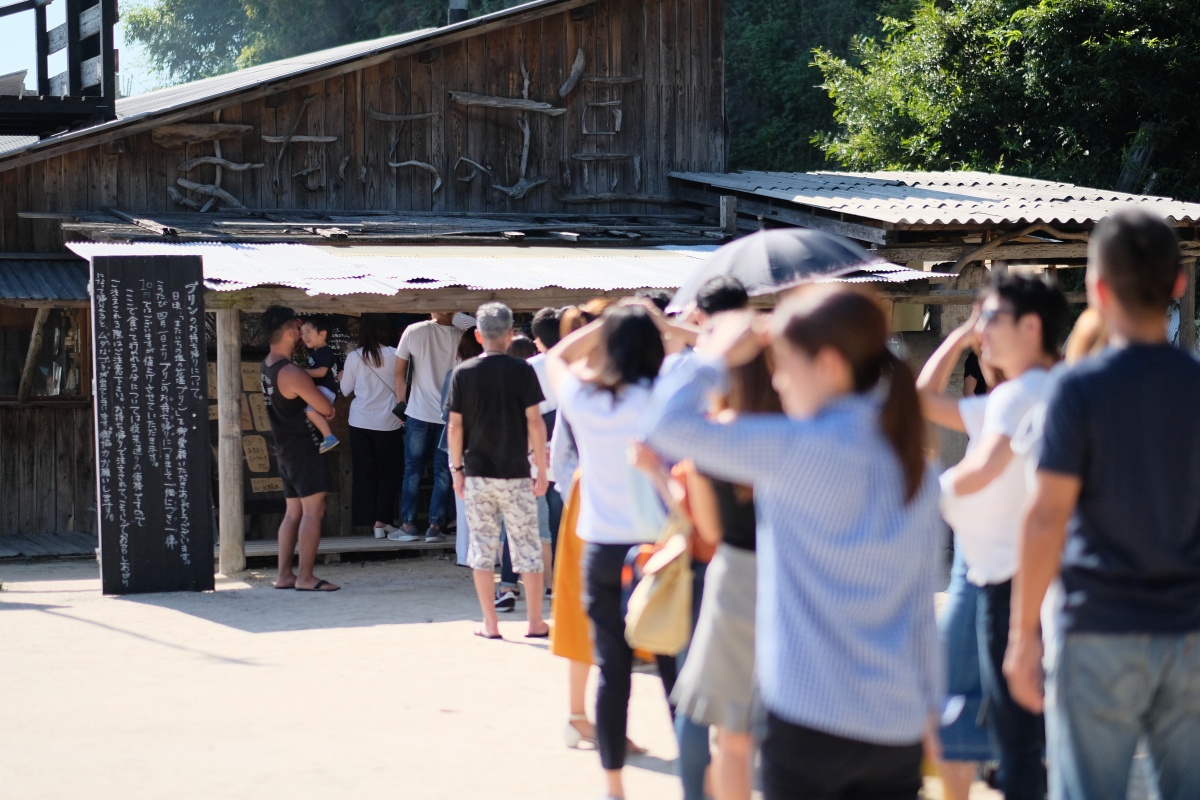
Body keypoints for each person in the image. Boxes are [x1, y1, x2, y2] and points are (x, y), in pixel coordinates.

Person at [644, 287, 943, 800]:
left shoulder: (796, 448)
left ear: (827, 365)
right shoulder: (917, 462)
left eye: (784, 365)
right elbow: (919, 605)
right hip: (897, 721)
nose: (778, 381)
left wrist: (712, 357)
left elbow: (665, 428)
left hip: (812, 716)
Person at [1005, 210, 1200, 800]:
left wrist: (1022, 637)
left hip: (1097, 630)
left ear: (1096, 289)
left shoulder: (1078, 389)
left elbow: (1045, 518)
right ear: (1178, 285)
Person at [918, 274, 1067, 800]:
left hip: (1002, 579)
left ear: (1031, 327)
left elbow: (979, 471)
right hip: (1050, 579)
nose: (984, 331)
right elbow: (922, 399)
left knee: (1013, 738)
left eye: (992, 320)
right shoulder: (1065, 387)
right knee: (1035, 737)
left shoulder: (1013, 398)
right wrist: (962, 337)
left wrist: (919, 502)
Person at [548, 304, 693, 800]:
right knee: (677, 672)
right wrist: (670, 325)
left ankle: (613, 787)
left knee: (613, 673)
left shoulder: (587, 400)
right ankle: (694, 780)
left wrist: (600, 326)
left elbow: (557, 358)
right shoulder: (669, 397)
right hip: (661, 550)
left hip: (602, 552)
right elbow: (719, 352)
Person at [668, 350, 780, 800]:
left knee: (727, 732)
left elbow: (710, 530)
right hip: (793, 577)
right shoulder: (800, 432)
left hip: (734, 579)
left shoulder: (710, 441)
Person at [447, 303, 550, 640]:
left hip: (477, 472)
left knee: (482, 547)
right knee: (527, 547)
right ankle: (534, 621)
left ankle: (490, 623)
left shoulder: (464, 373)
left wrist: (456, 469)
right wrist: (541, 467)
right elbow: (535, 421)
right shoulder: (523, 371)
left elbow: (456, 427)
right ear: (510, 336)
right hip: (517, 472)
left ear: (477, 336)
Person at [259, 306, 339, 592]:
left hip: (284, 449)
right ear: (291, 330)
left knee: (293, 512)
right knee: (312, 511)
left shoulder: (267, 365)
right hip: (304, 448)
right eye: (298, 327)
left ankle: (285, 575)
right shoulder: (291, 371)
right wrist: (326, 410)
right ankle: (305, 576)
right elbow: (324, 407)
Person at [393, 312, 466, 543]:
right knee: (444, 471)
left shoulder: (414, 331)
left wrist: (400, 405)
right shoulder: (462, 335)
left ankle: (408, 524)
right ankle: (435, 526)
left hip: (418, 410)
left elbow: (399, 373)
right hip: (449, 414)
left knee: (412, 470)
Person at [339, 314, 402, 539]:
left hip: (360, 421)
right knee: (391, 472)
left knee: (365, 472)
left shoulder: (354, 357)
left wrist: (340, 377)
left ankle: (368, 521)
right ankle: (381, 521)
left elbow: (346, 389)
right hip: (388, 422)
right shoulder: (396, 355)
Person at [438, 327, 484, 567]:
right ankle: (492, 555)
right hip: (488, 442)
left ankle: (465, 554)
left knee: (463, 504)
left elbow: (444, 412)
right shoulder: (495, 372)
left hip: (458, 444)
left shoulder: (454, 374)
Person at [299, 315, 340, 453]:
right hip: (321, 390)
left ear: (322, 334)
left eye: (308, 332)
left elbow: (321, 372)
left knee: (310, 411)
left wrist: (300, 372)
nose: (304, 336)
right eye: (302, 333)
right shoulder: (315, 352)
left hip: (325, 389)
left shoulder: (325, 351)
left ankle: (329, 437)